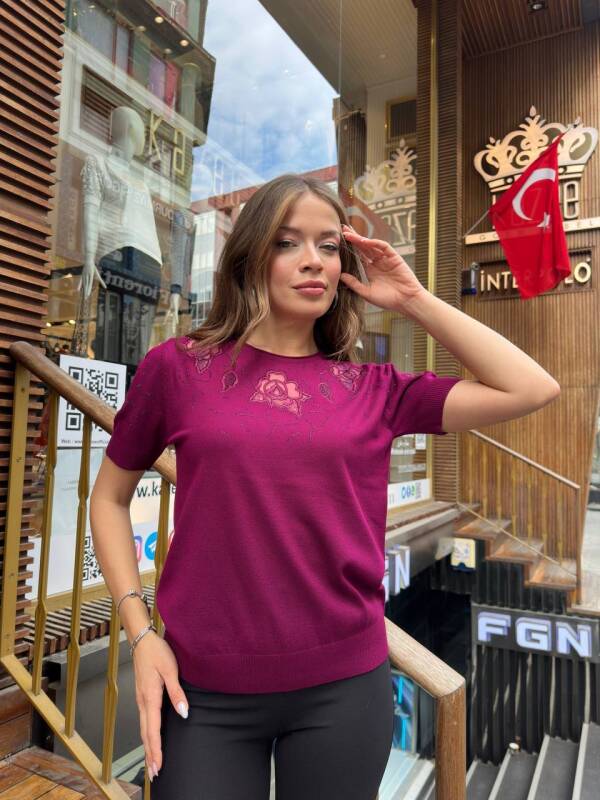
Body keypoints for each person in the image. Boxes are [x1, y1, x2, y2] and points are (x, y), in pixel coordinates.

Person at [89, 174, 561, 799]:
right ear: (250, 255)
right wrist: (141, 633)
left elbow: (531, 387)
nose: (313, 260)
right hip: (202, 689)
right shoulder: (179, 368)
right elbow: (108, 498)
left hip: (344, 690)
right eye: (288, 243)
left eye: (329, 246)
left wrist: (415, 299)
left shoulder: (373, 389)